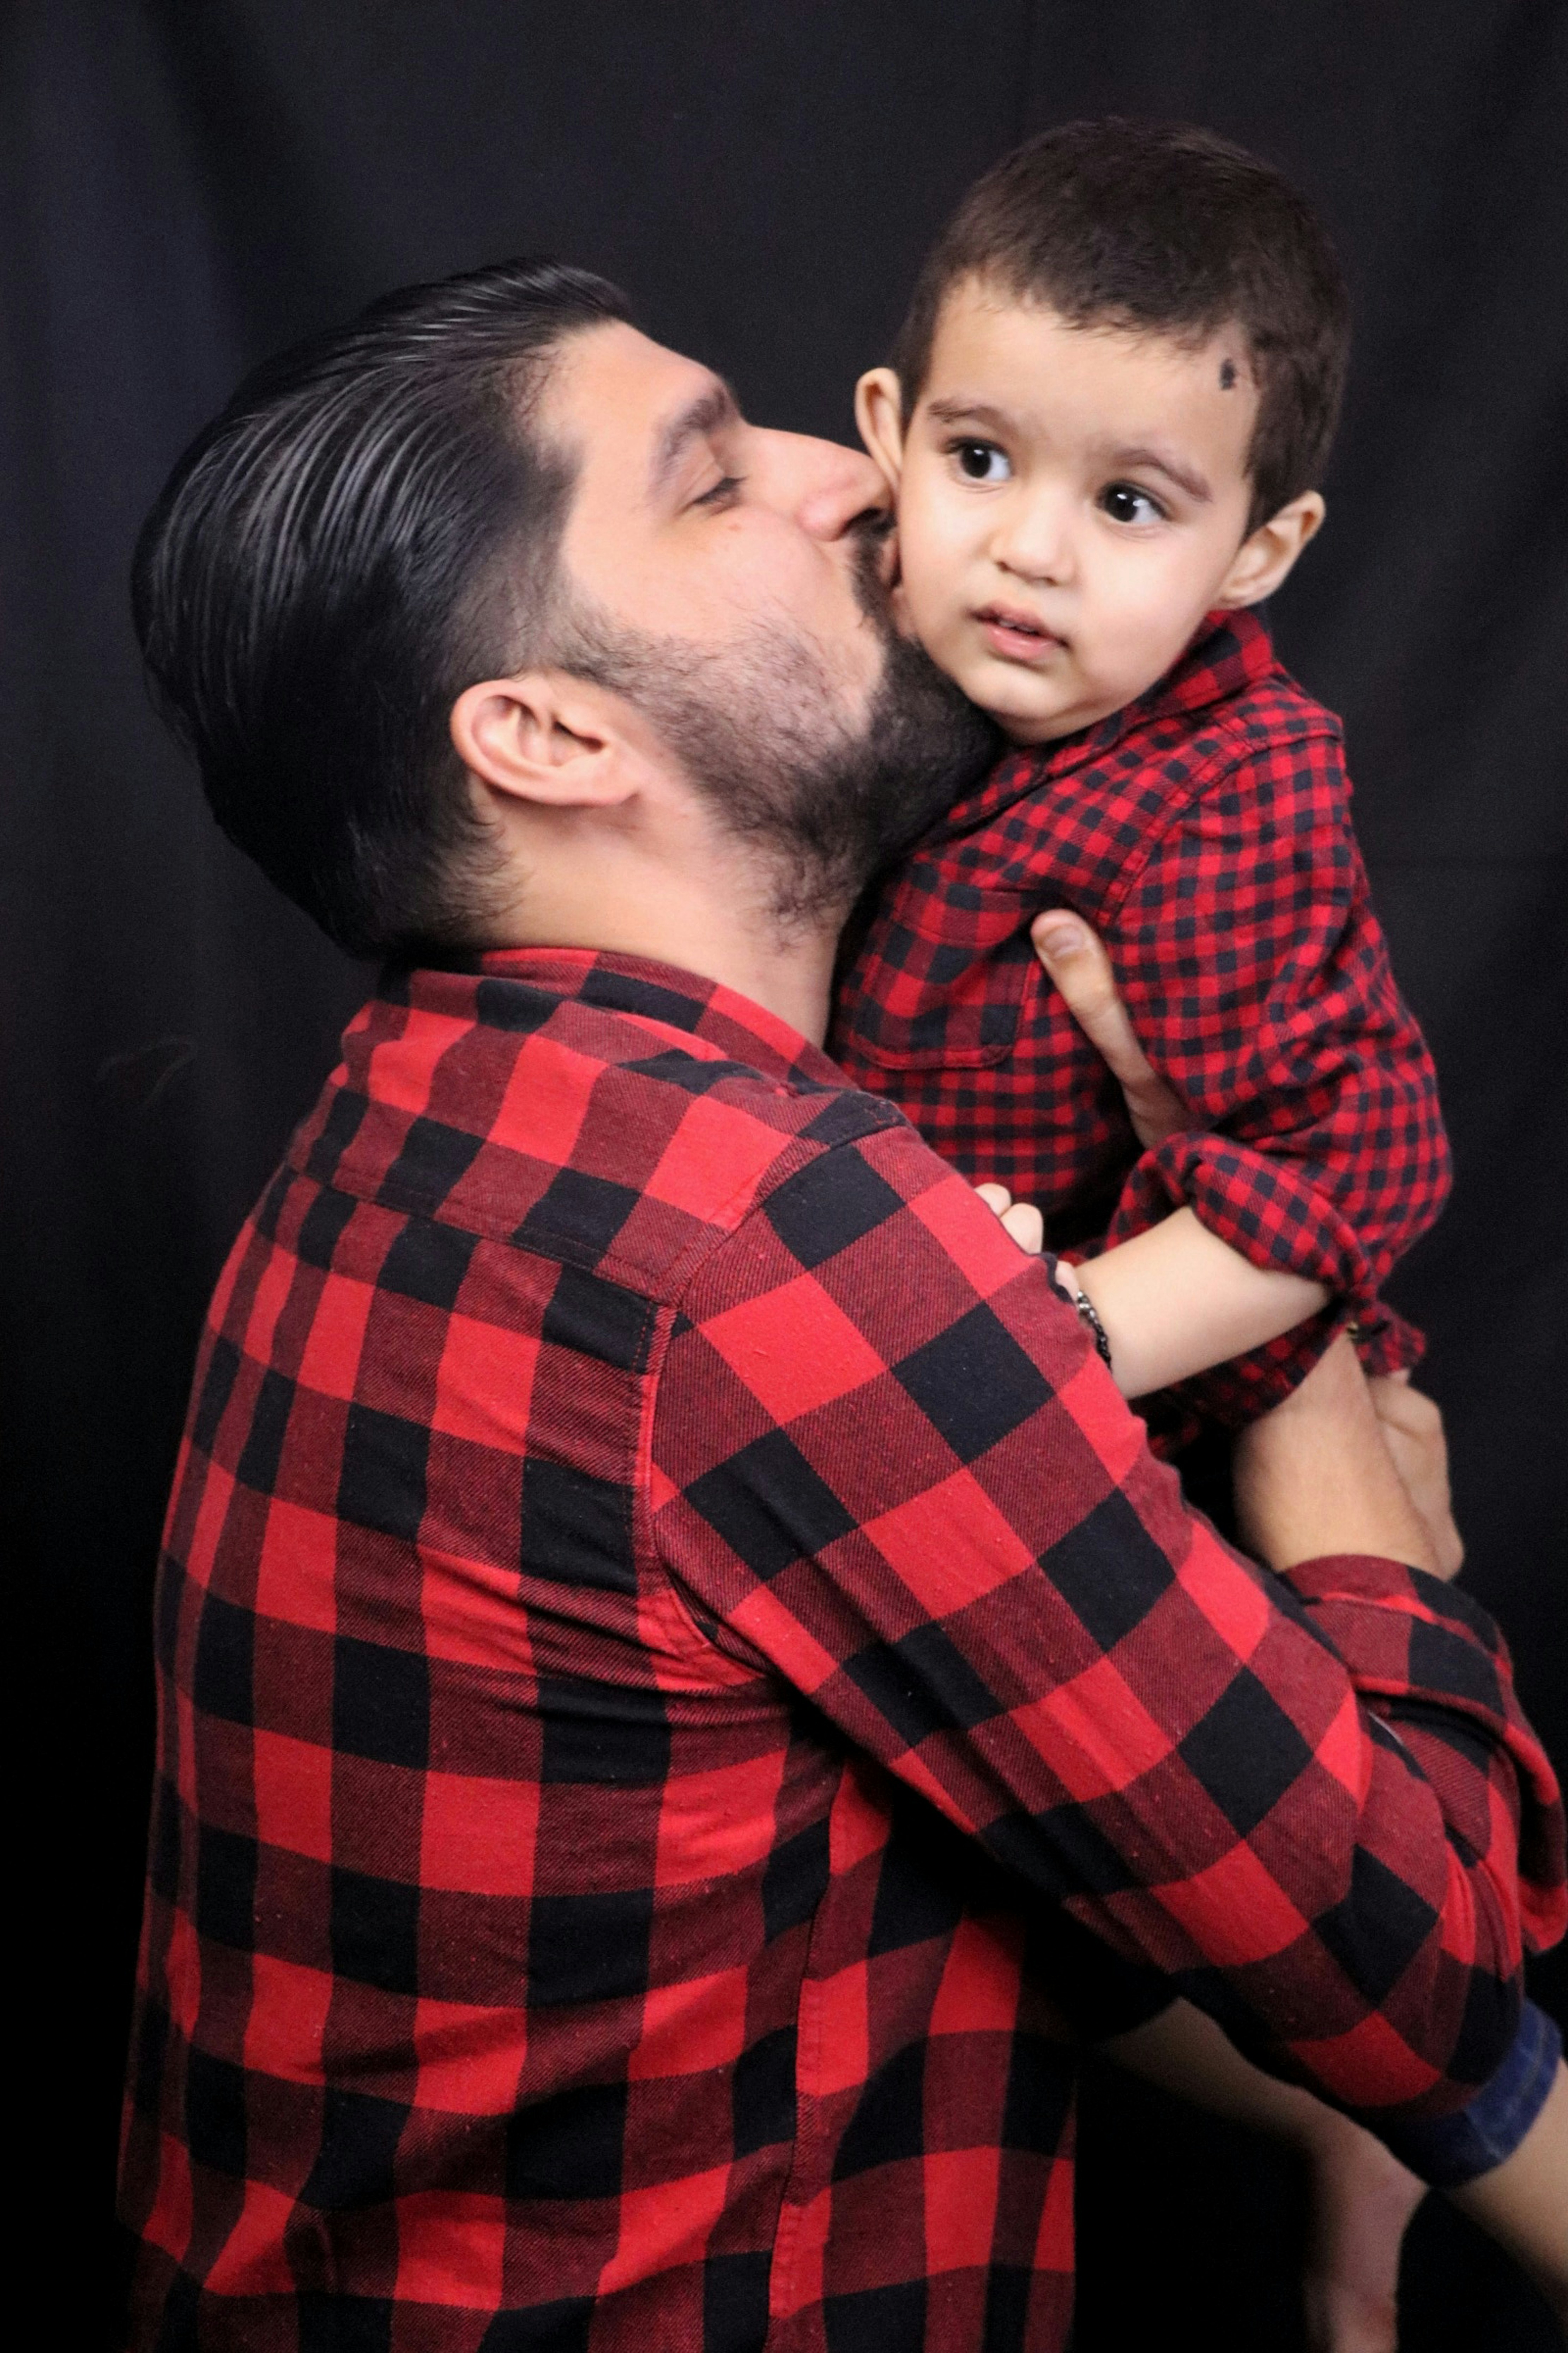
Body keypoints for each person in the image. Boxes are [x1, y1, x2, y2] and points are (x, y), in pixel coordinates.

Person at [117, 258, 1564, 2353]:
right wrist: (1303, 1340)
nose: (857, 477)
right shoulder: (770, 1245)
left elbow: (823, 1876)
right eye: (714, 482)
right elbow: (1432, 1944)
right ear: (546, 732)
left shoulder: (400, 1125)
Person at [834, 119, 1567, 2336]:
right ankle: (1350, 2152)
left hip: (1175, 1366)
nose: (1029, 556)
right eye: (980, 458)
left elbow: (1348, 1172)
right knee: (989, 1904)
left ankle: (1432, 2140)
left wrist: (1052, 1330)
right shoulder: (879, 661)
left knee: (1281, 1882)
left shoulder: (1227, 779)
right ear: (884, 436)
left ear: (1264, 552)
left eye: (1132, 505)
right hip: (975, 1346)